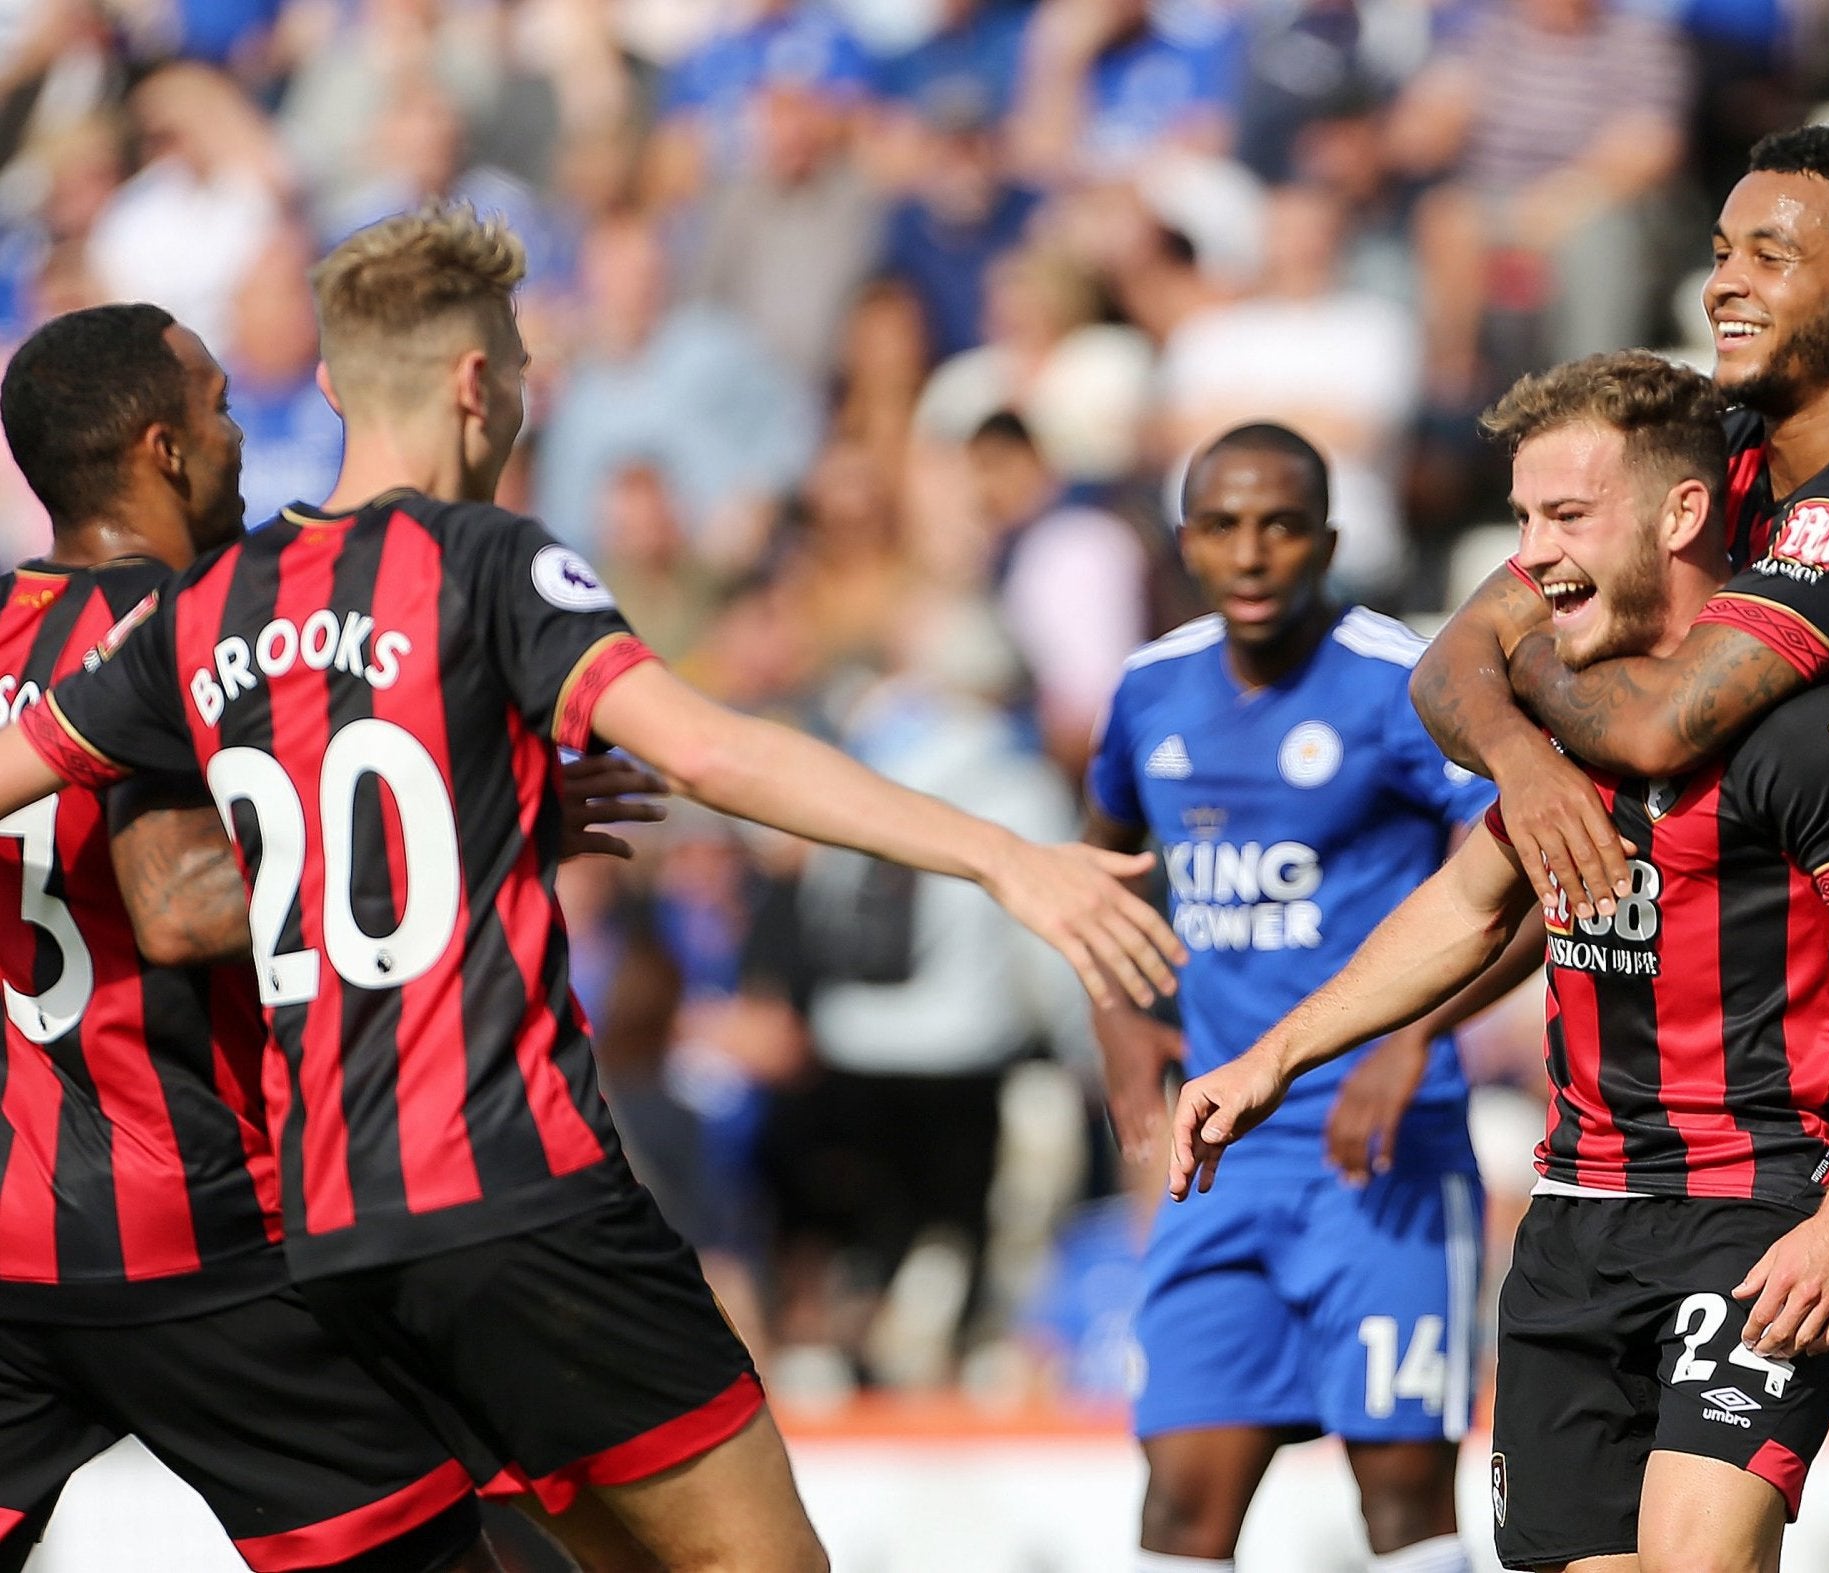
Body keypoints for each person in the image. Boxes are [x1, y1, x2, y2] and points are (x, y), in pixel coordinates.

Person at [0, 203, 1184, 1573]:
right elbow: (711, 748)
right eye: (519, 362)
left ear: (326, 386)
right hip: (518, 1186)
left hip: (338, 1231)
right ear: (475, 384)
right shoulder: (490, 561)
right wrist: (1000, 853)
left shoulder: (209, 608)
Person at [1412, 125, 1829, 1573]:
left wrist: (1529, 692)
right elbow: (1447, 661)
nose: (1725, 281)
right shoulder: (1702, 456)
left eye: (1771, 255)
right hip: (1812, 1065)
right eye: (1722, 249)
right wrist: (1529, 760)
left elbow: (1653, 725)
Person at [1169, 353, 1829, 1573]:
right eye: (1524, 517)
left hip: (1751, 1216)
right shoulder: (1571, 725)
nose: (1531, 555)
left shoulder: (1814, 727)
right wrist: (1273, 1056)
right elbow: (1462, 908)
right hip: (1572, 1227)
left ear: (1683, 513)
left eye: (1567, 517)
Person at [0, 303, 499, 1573]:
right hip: (198, 1232)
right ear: (164, 449)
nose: (240, 437)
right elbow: (176, 902)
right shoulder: (187, 637)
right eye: (220, 409)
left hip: (12, 1242)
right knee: (447, 1539)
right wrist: (455, 832)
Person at [1085, 420, 1537, 1573]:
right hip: (1221, 1152)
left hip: (1378, 1146)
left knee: (1398, 1500)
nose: (1250, 553)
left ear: (1326, 539)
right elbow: (1106, 869)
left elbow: (1530, 880)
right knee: (1181, 1502)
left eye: (1280, 526)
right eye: (1223, 526)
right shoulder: (1149, 691)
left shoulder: (1401, 680)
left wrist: (1414, 1040)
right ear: (1184, 538)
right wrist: (1123, 1017)